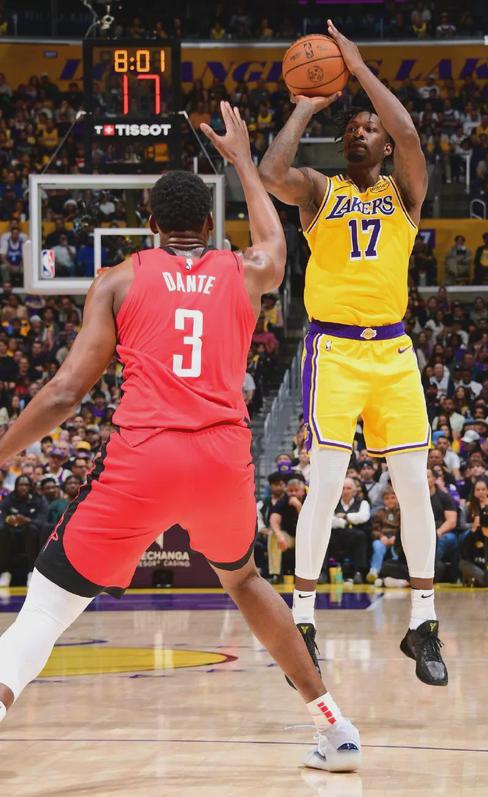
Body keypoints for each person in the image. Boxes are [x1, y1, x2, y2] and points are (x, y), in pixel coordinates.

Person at [0, 104, 361, 773]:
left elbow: (65, 393)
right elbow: (276, 243)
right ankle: (336, 728)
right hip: (223, 459)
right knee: (245, 580)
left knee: (47, 607)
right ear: (209, 224)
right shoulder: (244, 270)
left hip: (145, 458)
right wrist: (243, 160)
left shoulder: (119, 280)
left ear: (151, 224)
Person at [259, 20, 446, 687]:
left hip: (393, 352)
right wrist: (306, 105)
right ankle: (303, 621)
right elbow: (270, 173)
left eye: (371, 126)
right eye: (353, 127)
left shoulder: (405, 194)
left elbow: (411, 135)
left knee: (414, 487)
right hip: (335, 350)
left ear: (383, 144)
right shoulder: (320, 190)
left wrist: (361, 70)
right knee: (326, 483)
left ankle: (423, 623)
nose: (362, 131)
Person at [0, 475, 47, 587]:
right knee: (2, 530)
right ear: (16, 486)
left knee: (32, 529)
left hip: (32, 535)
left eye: (26, 485)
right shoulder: (9, 499)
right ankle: (5, 572)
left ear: (30, 487)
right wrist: (8, 519)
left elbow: (42, 522)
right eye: (21, 485)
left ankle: (31, 572)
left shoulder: (38, 500)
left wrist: (27, 520)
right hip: (12, 533)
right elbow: (2, 517)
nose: (24, 487)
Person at [327, 477, 370, 582]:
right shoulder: (332, 503)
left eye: (349, 488)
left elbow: (363, 517)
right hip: (336, 536)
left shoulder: (363, 503)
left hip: (354, 536)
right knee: (325, 538)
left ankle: (358, 573)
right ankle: (323, 572)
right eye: (343, 488)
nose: (345, 491)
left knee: (361, 536)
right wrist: (344, 522)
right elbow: (328, 520)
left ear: (354, 491)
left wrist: (345, 516)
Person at [268, 477, 305, 584]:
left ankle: (307, 575)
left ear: (302, 491)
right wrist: (279, 536)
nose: (293, 493)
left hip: (304, 537)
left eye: (296, 490)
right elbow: (273, 520)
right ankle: (275, 574)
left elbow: (307, 522)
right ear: (286, 491)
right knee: (273, 535)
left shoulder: (309, 499)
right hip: (289, 537)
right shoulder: (283, 500)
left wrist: (298, 506)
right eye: (290, 491)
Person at [367, 486, 400, 582]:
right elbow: (374, 530)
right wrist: (381, 537)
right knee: (378, 546)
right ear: (383, 500)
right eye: (387, 498)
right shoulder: (379, 513)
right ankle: (374, 571)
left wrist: (396, 538)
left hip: (396, 539)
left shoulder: (401, 512)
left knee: (398, 549)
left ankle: (396, 573)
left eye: (393, 498)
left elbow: (403, 529)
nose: (390, 501)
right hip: (383, 538)